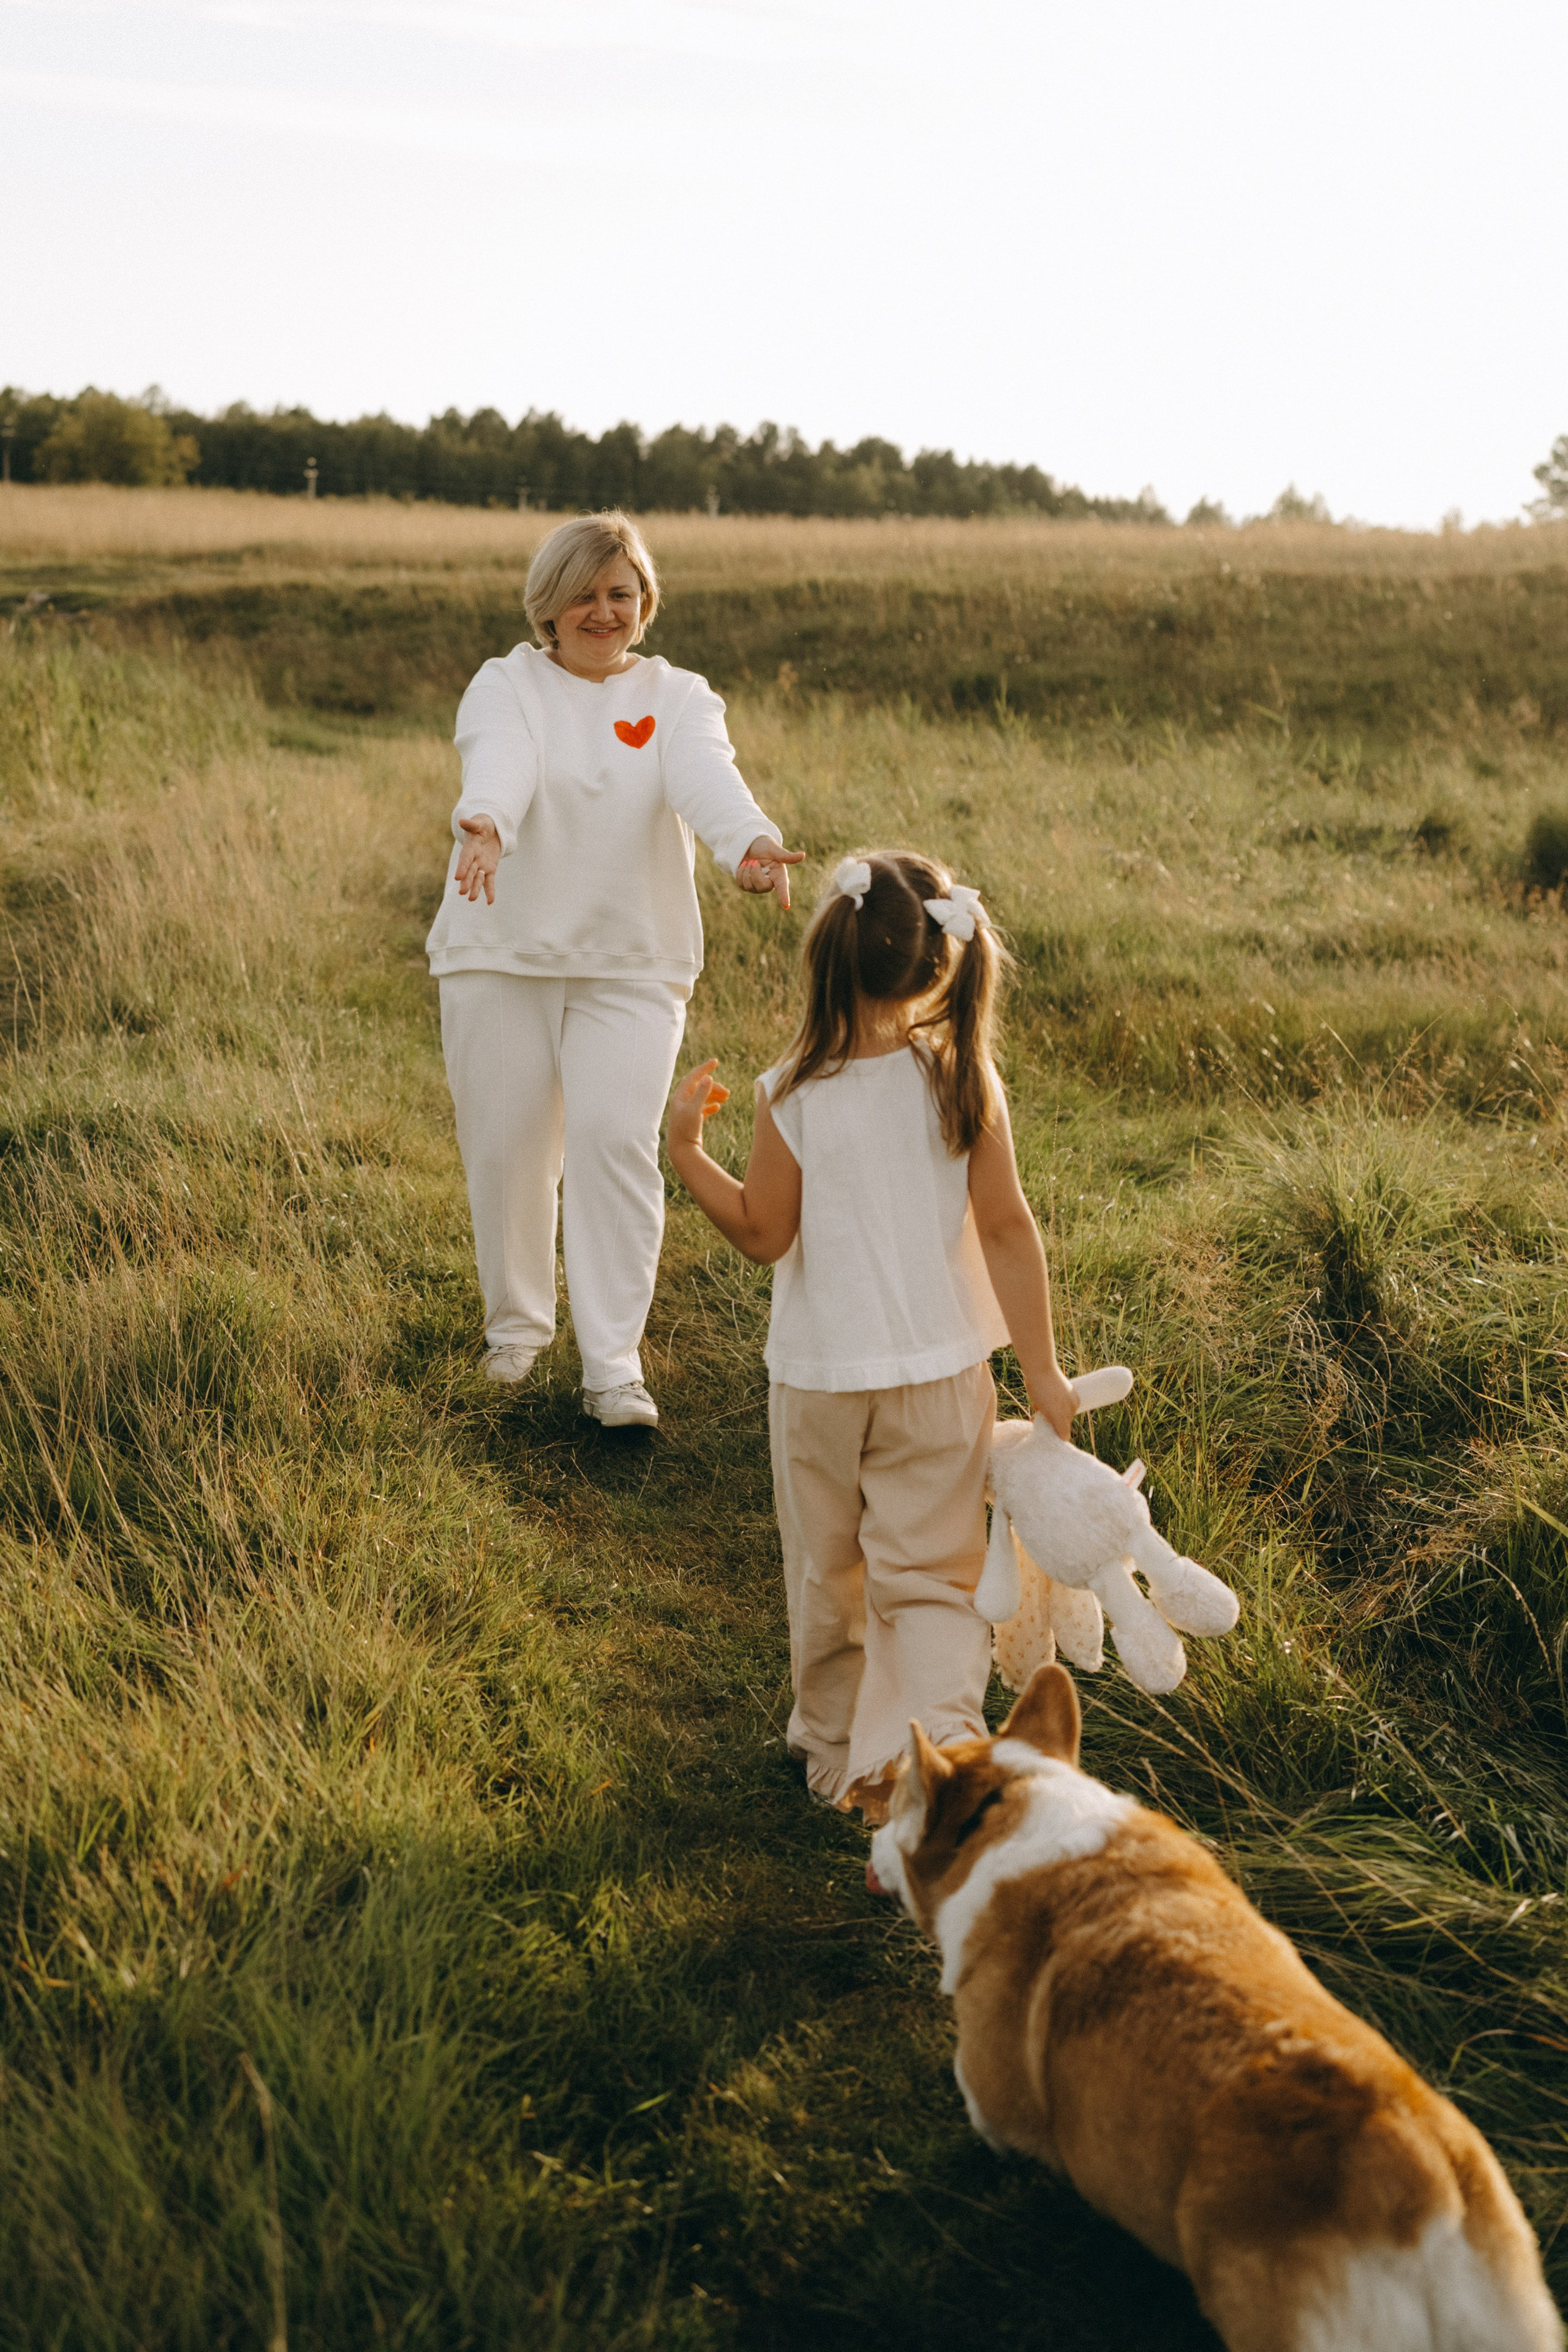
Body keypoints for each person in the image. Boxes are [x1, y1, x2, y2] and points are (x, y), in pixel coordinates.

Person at [665, 850, 1077, 1820]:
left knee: (829, 1567)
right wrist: (1045, 1370)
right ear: (940, 963)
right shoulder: (961, 1075)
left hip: (818, 1382)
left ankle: (837, 1757)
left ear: (827, 960)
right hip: (941, 1376)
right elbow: (1009, 1228)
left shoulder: (789, 1091)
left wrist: (686, 1152)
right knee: (932, 1576)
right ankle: (946, 1744)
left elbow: (765, 1234)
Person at [426, 511, 800, 1428]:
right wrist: (486, 825)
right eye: (584, 595)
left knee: (615, 1144)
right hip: (500, 947)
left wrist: (747, 842)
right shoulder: (507, 684)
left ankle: (613, 1368)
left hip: (633, 957)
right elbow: (502, 760)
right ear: (549, 604)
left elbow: (707, 776)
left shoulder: (678, 697)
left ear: (646, 603)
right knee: (510, 1146)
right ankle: (516, 1333)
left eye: (620, 594)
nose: (603, 611)